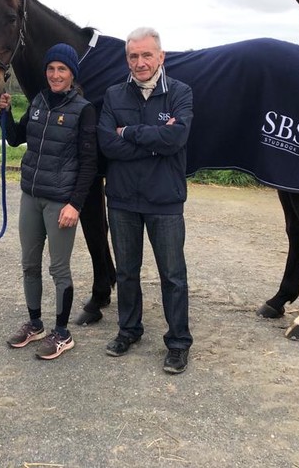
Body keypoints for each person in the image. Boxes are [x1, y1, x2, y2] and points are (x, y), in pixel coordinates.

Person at [97, 27, 194, 374]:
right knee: (126, 272)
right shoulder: (113, 95)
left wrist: (131, 134)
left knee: (173, 275)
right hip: (122, 200)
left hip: (164, 200)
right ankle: (129, 330)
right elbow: (108, 144)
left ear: (161, 56)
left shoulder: (180, 93)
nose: (140, 63)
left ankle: (179, 342)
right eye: (133, 56)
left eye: (146, 55)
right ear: (127, 59)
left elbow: (177, 138)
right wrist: (154, 142)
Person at [0, 43, 97, 360]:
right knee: (29, 263)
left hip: (60, 202)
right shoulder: (38, 101)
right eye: (51, 69)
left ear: (71, 74)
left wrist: (75, 204)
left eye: (62, 69)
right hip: (31, 195)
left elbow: (89, 163)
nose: (55, 74)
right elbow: (15, 138)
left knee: (58, 268)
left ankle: (63, 333)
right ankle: (36, 323)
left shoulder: (83, 110)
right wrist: (5, 112)